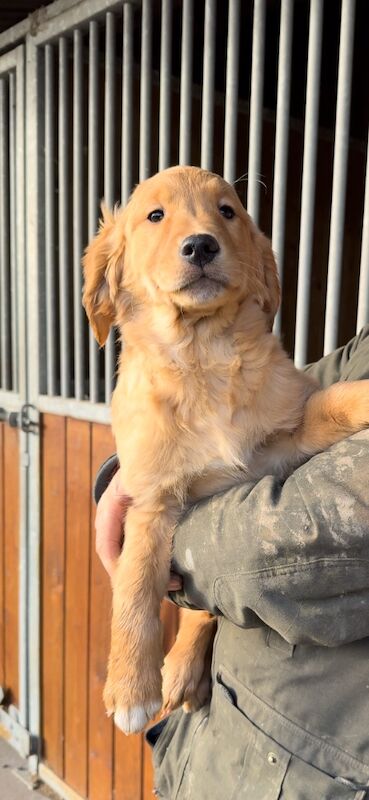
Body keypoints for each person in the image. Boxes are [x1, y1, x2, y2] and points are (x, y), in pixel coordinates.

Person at [95, 327, 369, 799]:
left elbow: (307, 535)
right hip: (222, 737)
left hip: (312, 764)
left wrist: (153, 528)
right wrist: (129, 477)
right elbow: (279, 410)